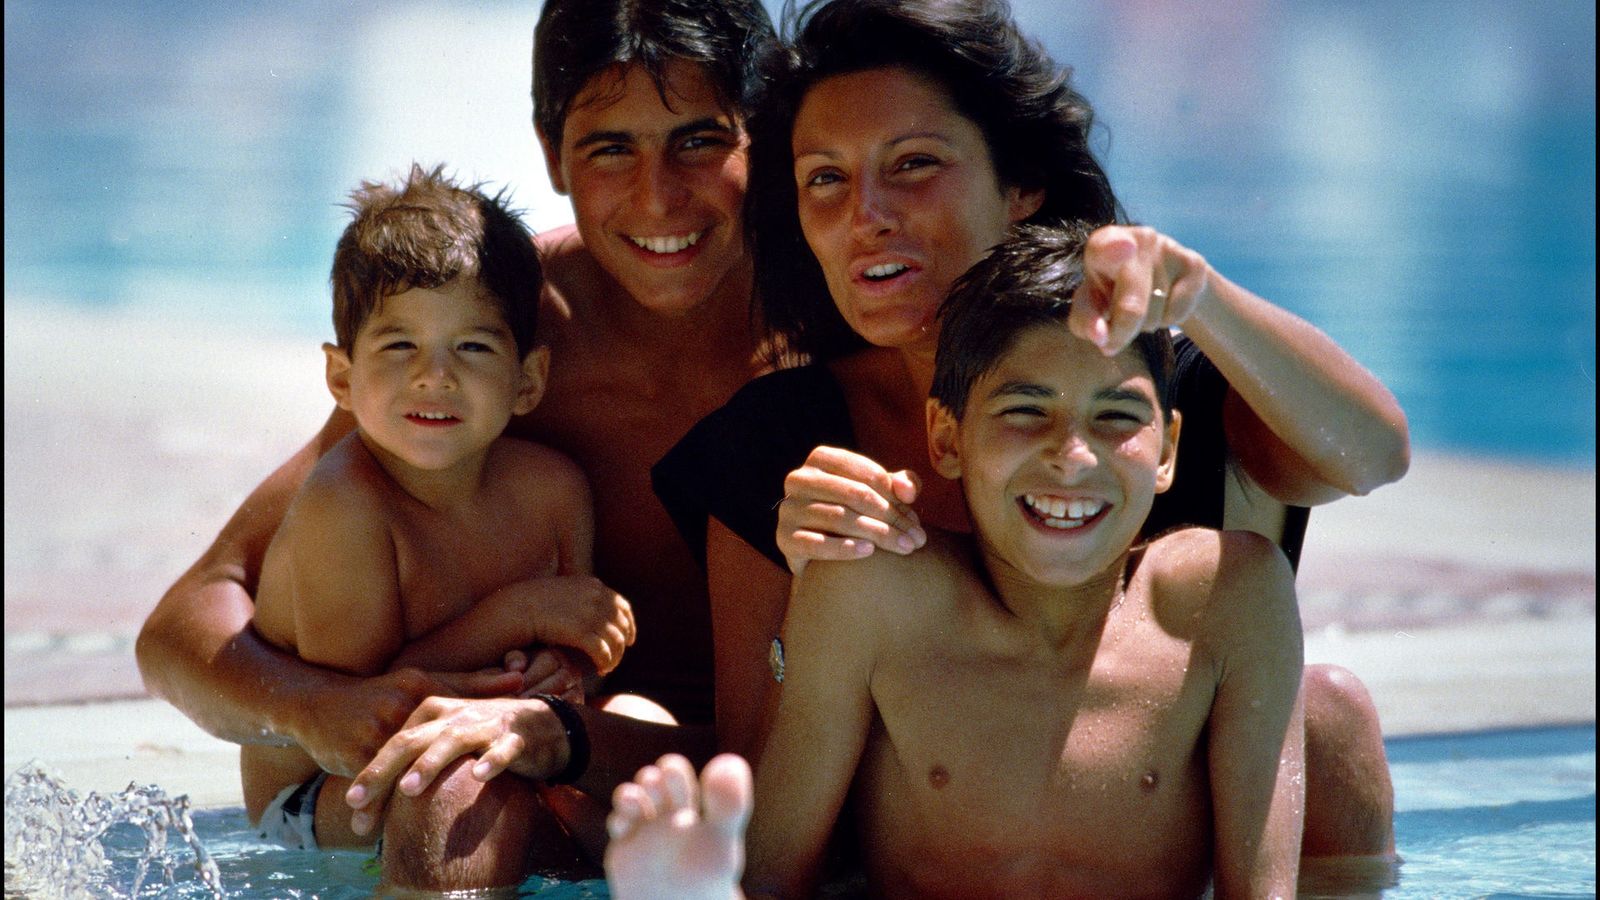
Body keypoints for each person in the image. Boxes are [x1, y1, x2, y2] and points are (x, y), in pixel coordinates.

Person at [651, 0, 1407, 858]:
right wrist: (808, 599)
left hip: (1165, 846)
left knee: (1330, 720)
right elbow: (754, 799)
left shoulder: (1154, 398)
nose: (866, 213)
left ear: (1021, 189)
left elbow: (1373, 454)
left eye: (913, 164)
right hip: (908, 860)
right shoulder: (776, 445)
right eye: (825, 178)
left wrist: (1201, 301)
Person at [136, 0, 778, 881]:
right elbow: (184, 627)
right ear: (552, 153)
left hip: (685, 753)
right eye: (610, 147)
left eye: (700, 141)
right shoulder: (486, 334)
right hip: (516, 752)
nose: (659, 195)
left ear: (764, 139)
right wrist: (317, 708)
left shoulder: (833, 329)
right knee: (453, 787)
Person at [610, 226, 1307, 899]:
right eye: (1025, 412)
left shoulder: (1228, 596)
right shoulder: (873, 590)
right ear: (945, 436)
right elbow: (773, 875)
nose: (1072, 457)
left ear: (1167, 450)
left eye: (1117, 418)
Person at [238, 164, 640, 888]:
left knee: (640, 725)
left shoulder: (555, 489)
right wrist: (512, 615)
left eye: (473, 348)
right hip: (322, 796)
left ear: (528, 382)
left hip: (490, 736)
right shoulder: (346, 507)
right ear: (340, 378)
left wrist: (572, 668)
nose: (435, 376)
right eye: (399, 347)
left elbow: (576, 658)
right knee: (452, 792)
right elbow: (364, 719)